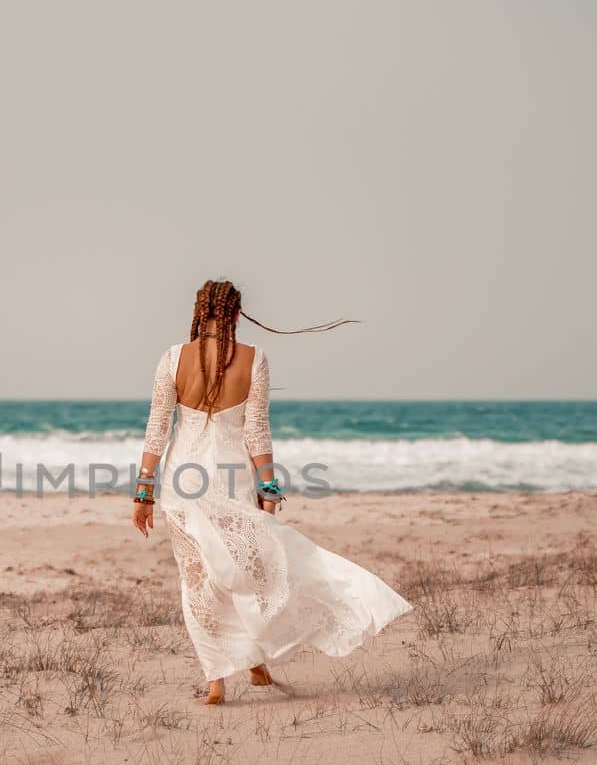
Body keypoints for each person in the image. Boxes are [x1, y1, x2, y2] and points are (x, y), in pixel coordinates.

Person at [133, 279, 413, 705]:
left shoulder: (173, 359)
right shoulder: (255, 359)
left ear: (198, 311)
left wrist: (143, 493)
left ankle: (218, 681)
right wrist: (268, 489)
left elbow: (157, 428)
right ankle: (253, 662)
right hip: (232, 479)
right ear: (236, 313)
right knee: (245, 571)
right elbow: (256, 432)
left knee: (199, 580)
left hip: (182, 482)